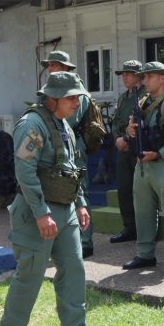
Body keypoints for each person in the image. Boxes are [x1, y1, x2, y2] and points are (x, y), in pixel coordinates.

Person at [0, 72, 109, 326]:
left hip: (65, 209)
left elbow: (72, 168)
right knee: (30, 273)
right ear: (54, 98)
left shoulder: (64, 126)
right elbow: (25, 172)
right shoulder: (32, 124)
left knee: (73, 268)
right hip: (36, 212)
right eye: (71, 98)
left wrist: (80, 203)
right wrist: (42, 213)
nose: (76, 103)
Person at [122, 61, 164, 276]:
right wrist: (130, 131)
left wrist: (159, 153)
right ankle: (145, 254)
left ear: (162, 78)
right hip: (143, 166)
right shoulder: (141, 103)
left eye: (150, 76)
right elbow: (129, 131)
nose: (146, 80)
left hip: (163, 164)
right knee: (143, 211)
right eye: (144, 77)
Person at [40, 50, 95, 259]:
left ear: (65, 68)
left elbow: (67, 121)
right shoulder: (54, 92)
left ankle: (85, 240)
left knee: (80, 192)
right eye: (49, 65)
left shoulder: (76, 91)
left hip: (74, 149)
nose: (50, 69)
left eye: (54, 65)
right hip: (56, 147)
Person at [110, 60, 146, 244]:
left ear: (138, 76)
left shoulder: (146, 95)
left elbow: (144, 123)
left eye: (128, 74)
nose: (124, 77)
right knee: (124, 189)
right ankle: (129, 228)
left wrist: (126, 138)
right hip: (123, 149)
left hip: (139, 148)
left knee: (143, 193)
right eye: (123, 74)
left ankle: (146, 231)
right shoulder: (124, 97)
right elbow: (116, 121)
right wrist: (118, 138)